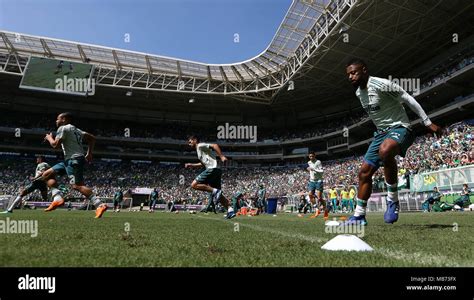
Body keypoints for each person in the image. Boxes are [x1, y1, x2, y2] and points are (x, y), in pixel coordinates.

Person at [341, 58, 442, 226]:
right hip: (381, 133)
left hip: (401, 128)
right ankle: (359, 216)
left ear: (364, 70)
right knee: (364, 173)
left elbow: (407, 98)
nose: (350, 77)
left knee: (385, 150)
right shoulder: (359, 93)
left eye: (354, 72)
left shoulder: (382, 84)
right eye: (348, 74)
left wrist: (427, 122)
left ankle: (392, 200)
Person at [37, 112, 108, 218]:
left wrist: (49, 138)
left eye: (58, 119)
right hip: (69, 160)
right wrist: (89, 153)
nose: (56, 121)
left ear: (64, 119)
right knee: (46, 174)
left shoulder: (63, 128)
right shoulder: (76, 130)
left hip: (73, 160)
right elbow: (92, 138)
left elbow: (55, 145)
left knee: (77, 186)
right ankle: (57, 199)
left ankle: (100, 205)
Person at [185, 135, 235, 219]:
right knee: (218, 195)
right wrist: (192, 165)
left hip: (212, 169)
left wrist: (221, 156)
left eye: (190, 141)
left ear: (195, 140)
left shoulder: (200, 145)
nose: (189, 143)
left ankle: (215, 191)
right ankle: (230, 210)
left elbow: (215, 145)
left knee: (193, 185)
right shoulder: (199, 150)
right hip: (216, 170)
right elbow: (203, 163)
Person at [306, 152, 328, 219]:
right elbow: (311, 171)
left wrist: (313, 169)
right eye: (310, 156)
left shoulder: (318, 162)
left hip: (319, 181)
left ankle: (325, 209)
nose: (311, 157)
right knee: (310, 194)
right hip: (312, 181)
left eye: (312, 156)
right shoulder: (309, 162)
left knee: (319, 197)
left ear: (315, 156)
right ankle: (317, 210)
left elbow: (322, 171)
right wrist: (308, 169)